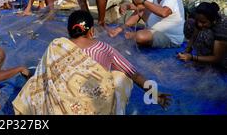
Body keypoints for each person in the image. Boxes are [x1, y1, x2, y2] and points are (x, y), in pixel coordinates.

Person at [12, 10, 171, 115]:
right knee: (120, 78)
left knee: (36, 82)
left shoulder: (57, 45)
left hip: (59, 108)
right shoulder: (103, 47)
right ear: (92, 31)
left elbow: (44, 74)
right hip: (94, 108)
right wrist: (154, 93)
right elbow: (133, 74)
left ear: (69, 31)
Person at [109, 0, 185, 49]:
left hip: (169, 37)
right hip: (153, 30)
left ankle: (133, 35)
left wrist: (143, 1)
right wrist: (127, 6)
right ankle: (119, 29)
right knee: (141, 11)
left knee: (140, 36)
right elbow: (140, 7)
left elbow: (164, 13)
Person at [177, 2, 227, 69]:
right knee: (189, 23)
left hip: (222, 58)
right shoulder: (202, 18)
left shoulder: (222, 28)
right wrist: (186, 51)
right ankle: (203, 57)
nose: (199, 24)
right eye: (198, 21)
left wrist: (192, 58)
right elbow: (195, 33)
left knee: (205, 34)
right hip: (213, 45)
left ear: (213, 21)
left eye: (203, 22)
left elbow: (217, 58)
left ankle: (206, 62)